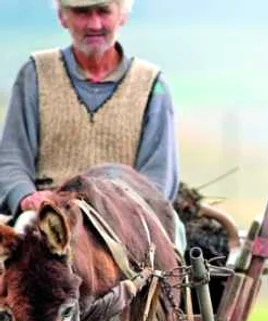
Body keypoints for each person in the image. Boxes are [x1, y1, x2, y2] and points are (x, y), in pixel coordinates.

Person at [0, 0, 179, 220]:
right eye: (82, 13)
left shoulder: (152, 84)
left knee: (173, 243)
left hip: (126, 218)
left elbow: (158, 179)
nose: (94, 24)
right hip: (46, 216)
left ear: (122, 16)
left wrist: (117, 211)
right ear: (62, 17)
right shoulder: (35, 73)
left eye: (104, 11)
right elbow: (11, 159)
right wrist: (26, 196)